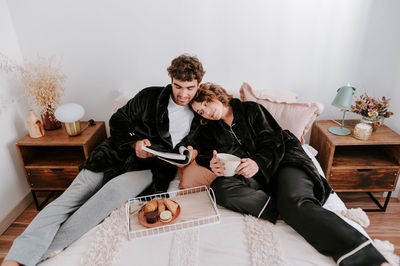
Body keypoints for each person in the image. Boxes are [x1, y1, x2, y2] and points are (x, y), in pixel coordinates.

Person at [3, 54, 204, 266]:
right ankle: (15, 259)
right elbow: (118, 120)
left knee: (108, 195)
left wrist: (190, 153)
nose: (183, 94)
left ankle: (44, 251)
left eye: (190, 88)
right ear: (171, 80)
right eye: (178, 86)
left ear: (199, 84)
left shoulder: (202, 111)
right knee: (73, 195)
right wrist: (134, 143)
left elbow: (201, 146)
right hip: (113, 154)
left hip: (150, 168)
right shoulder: (150, 96)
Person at [189, 82, 388, 266]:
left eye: (206, 104)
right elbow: (205, 155)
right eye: (200, 111)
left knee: (296, 201)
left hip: (285, 160)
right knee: (219, 188)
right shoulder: (209, 130)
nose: (206, 112)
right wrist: (212, 164)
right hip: (255, 177)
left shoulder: (250, 109)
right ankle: (283, 209)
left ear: (216, 96)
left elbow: (273, 140)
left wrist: (258, 162)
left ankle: (368, 258)